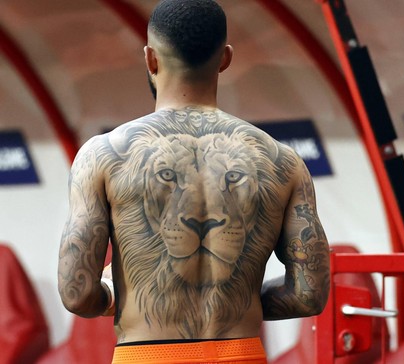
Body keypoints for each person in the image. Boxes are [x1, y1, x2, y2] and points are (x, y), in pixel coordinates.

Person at [57, 0, 330, 363]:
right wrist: (238, 300)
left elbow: (77, 292)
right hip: (240, 354)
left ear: (151, 59)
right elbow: (309, 293)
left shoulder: (104, 155)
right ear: (226, 58)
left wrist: (112, 297)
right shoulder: (281, 160)